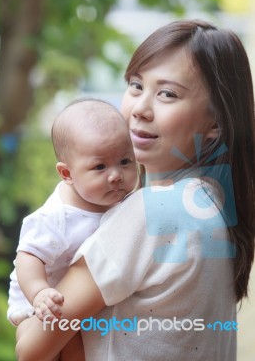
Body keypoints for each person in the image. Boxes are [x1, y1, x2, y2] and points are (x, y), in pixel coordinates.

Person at [16, 19, 255, 361]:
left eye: (167, 94)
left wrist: (24, 314)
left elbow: (30, 350)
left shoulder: (154, 211)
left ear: (215, 122)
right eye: (136, 85)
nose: (140, 109)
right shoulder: (215, 203)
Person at [7, 98, 138, 359]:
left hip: (80, 305)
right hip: (38, 308)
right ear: (67, 174)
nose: (115, 175)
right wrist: (39, 292)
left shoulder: (121, 200)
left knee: (80, 350)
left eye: (125, 161)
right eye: (100, 167)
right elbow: (28, 257)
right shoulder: (56, 216)